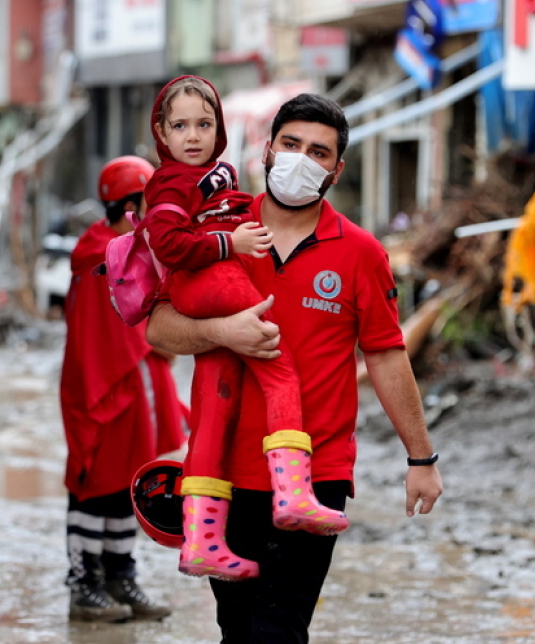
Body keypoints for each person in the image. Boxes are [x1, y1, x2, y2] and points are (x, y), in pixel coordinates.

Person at [146, 93, 444, 642]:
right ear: (266, 150)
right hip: (223, 474)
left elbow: (385, 353)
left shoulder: (360, 252)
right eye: (290, 144)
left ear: (337, 169)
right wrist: (218, 332)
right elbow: (157, 328)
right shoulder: (215, 234)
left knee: (279, 628)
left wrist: (420, 456)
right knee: (236, 628)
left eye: (318, 152)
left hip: (315, 475)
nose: (301, 159)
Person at [140, 76, 348, 581]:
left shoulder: (214, 175)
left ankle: (202, 539)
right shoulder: (172, 182)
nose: (193, 136)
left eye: (204, 124)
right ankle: (295, 494)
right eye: (181, 126)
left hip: (209, 281)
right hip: (210, 276)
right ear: (161, 134)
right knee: (277, 363)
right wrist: (229, 246)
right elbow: (167, 245)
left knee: (212, 408)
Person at [60, 155, 188, 623]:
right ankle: (84, 585)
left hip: (133, 384)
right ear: (132, 203)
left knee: (124, 484)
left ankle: (120, 577)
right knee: (95, 481)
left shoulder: (126, 247)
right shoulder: (102, 254)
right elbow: (112, 336)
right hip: (106, 385)